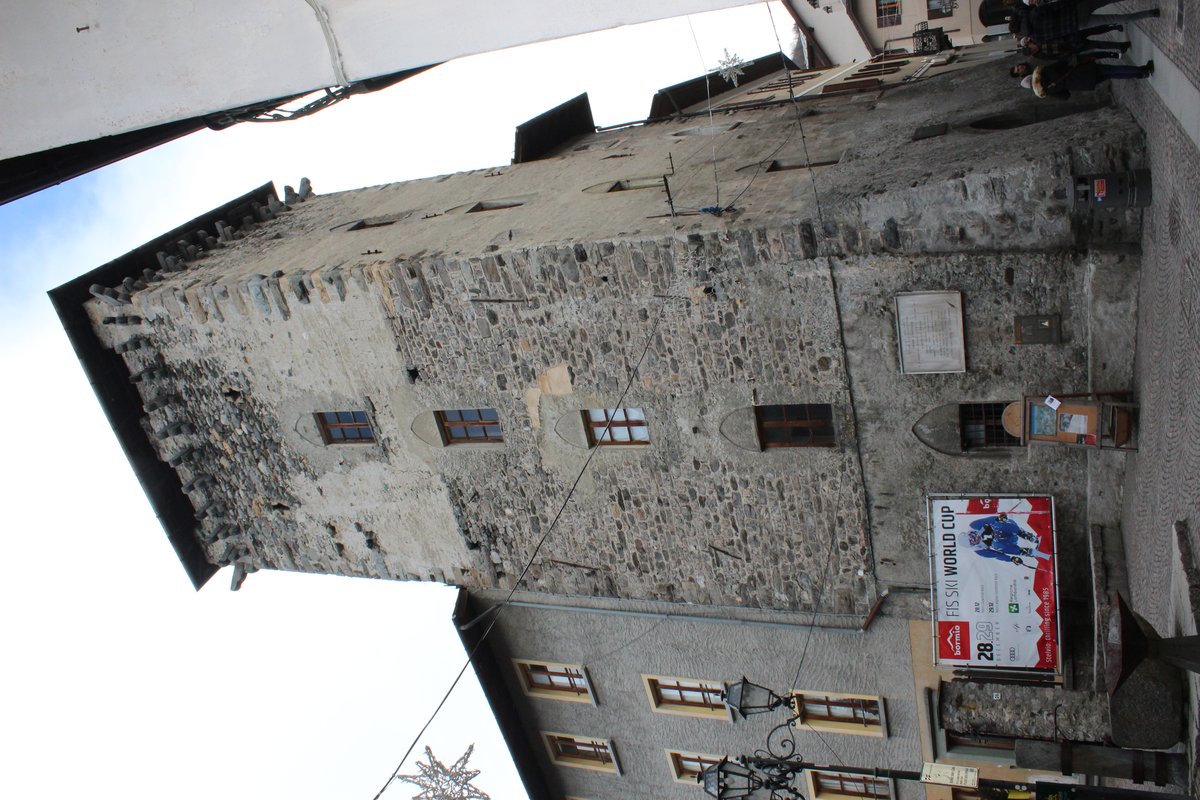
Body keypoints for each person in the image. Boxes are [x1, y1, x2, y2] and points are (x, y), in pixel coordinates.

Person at [1011, 58, 1154, 99]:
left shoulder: (1047, 92)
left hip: (1083, 83)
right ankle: (1143, 70)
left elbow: (1066, 96)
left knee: (1111, 74)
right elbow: (1063, 62)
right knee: (1112, 69)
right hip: (1083, 71)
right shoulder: (1045, 70)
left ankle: (1140, 74)